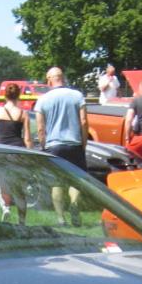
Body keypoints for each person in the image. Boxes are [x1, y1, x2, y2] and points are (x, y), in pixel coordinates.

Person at [34, 66, 89, 225]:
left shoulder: (43, 100)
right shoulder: (77, 95)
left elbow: (40, 128)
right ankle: (74, 204)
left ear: (49, 80)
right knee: (76, 180)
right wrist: (83, 142)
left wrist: (44, 146)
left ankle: (61, 218)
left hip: (54, 145)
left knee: (56, 182)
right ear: (62, 78)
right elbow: (84, 121)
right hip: (74, 144)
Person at [0, 83, 32, 222]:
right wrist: (31, 156)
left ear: (4, 95)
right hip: (17, 151)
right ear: (19, 95)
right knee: (19, 188)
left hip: (1, 151)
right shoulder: (23, 114)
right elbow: (27, 139)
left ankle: (6, 208)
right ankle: (22, 220)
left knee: (3, 185)